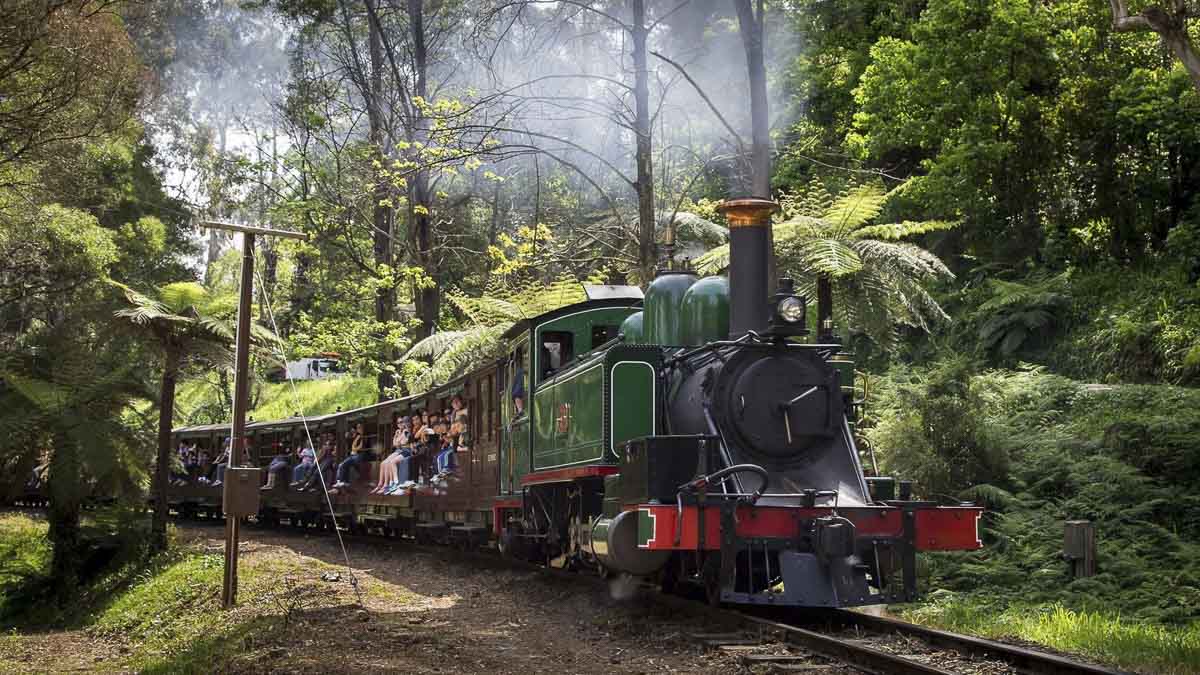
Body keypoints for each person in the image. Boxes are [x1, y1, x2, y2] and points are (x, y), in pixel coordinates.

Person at [372, 416, 410, 495]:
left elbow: (402, 442)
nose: (399, 424)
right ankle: (381, 484)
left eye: (401, 422)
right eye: (398, 423)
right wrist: (397, 437)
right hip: (398, 450)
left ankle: (388, 484)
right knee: (383, 463)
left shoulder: (406, 431)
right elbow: (395, 444)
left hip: (403, 450)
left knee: (389, 462)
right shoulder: (398, 431)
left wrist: (398, 439)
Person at [330, 423, 369, 493]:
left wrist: (355, 446)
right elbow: (351, 445)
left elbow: (360, 447)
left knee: (343, 464)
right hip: (353, 455)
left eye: (360, 428)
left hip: (359, 455)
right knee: (342, 465)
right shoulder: (356, 436)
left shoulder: (364, 437)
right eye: (358, 428)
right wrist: (348, 437)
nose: (359, 429)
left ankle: (340, 481)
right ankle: (342, 482)